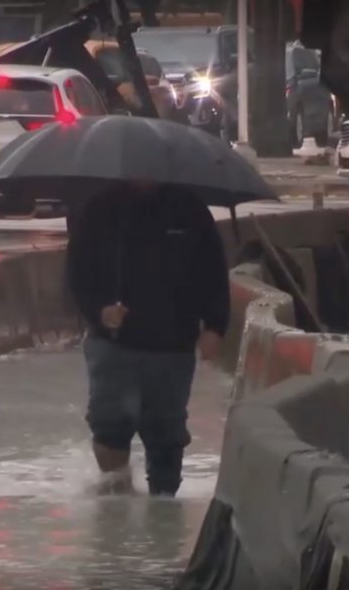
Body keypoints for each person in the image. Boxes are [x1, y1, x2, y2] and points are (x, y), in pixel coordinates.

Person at [66, 183, 229, 496]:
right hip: (113, 342)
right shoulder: (100, 208)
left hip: (174, 343)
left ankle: (163, 508)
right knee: (110, 424)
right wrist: (99, 310)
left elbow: (213, 272)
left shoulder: (189, 209)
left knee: (167, 434)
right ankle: (115, 500)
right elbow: (78, 272)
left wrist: (215, 326)